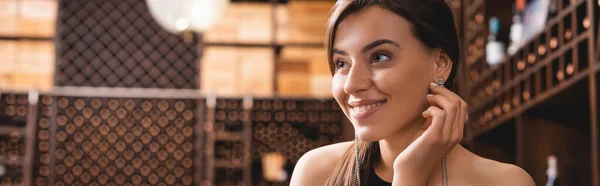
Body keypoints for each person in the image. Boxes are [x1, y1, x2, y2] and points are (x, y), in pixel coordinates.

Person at [290, 0, 535, 185]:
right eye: (342, 63)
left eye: (379, 57)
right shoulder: (316, 174)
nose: (351, 84)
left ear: (439, 63)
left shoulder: (504, 182)